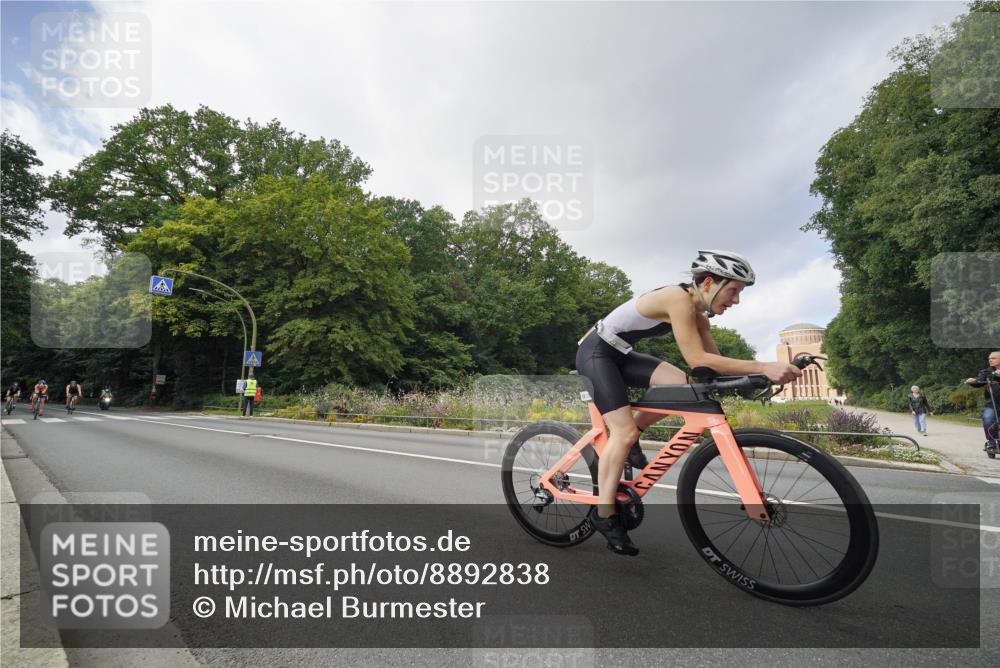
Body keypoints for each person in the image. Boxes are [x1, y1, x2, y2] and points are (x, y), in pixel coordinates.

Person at [574, 250, 801, 556]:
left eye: (739, 293)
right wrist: (763, 366)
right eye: (733, 291)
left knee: (680, 384)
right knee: (623, 432)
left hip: (622, 355)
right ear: (708, 282)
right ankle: (605, 515)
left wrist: (758, 377)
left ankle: (628, 440)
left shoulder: (700, 319)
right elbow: (697, 357)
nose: (736, 301)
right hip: (596, 353)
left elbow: (709, 367)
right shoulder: (677, 299)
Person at [965, 351, 1000, 450]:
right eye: (989, 358)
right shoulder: (987, 372)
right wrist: (973, 381)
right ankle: (992, 442)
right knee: (988, 418)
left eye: (993, 358)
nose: (990, 360)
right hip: (992, 402)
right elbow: (979, 380)